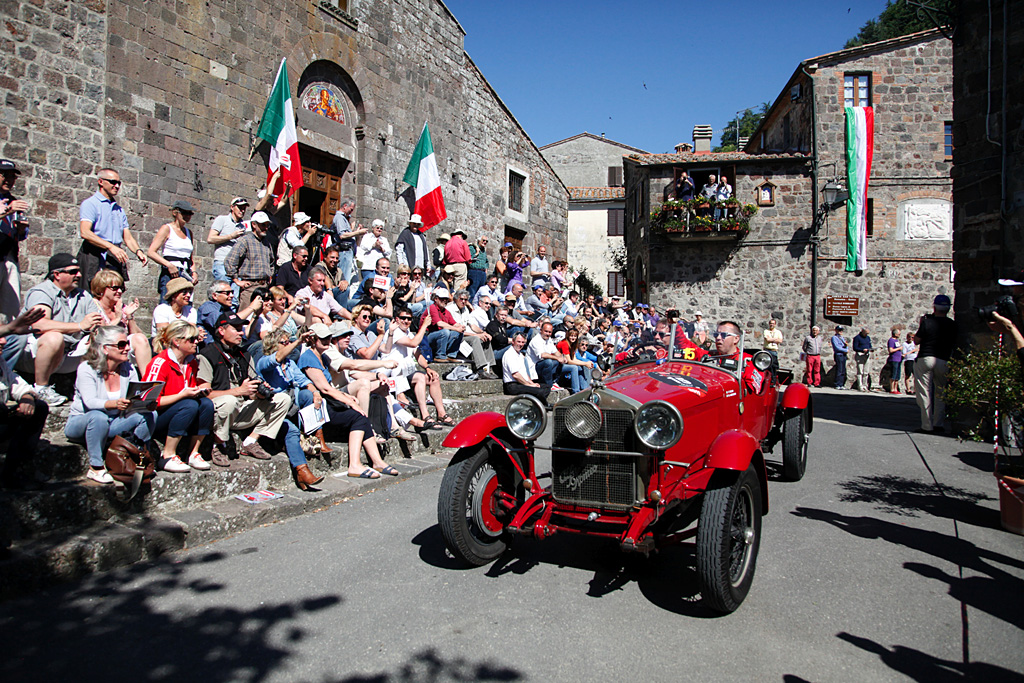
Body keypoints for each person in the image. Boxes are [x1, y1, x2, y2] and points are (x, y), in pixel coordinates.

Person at [296, 323, 397, 478]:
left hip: (329, 403)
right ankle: (355, 465)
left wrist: (347, 398)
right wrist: (349, 401)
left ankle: (377, 461)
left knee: (361, 416)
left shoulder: (322, 356)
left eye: (328, 337)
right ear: (313, 339)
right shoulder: (308, 358)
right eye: (322, 338)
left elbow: (345, 377)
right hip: (321, 409)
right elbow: (325, 389)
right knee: (358, 415)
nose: (327, 341)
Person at [8, 254, 102, 406]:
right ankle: (41, 388)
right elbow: (40, 324)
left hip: (68, 353)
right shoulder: (42, 292)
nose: (78, 275)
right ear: (57, 274)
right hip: (33, 354)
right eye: (73, 272)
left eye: (78, 271)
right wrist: (79, 326)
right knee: (54, 337)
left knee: (107, 340)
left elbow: (97, 323)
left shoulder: (83, 295)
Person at [199, 313, 293, 466]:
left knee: (283, 399)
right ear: (221, 331)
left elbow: (252, 387)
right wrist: (237, 392)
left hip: (242, 409)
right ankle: (218, 445)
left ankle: (250, 441)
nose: (241, 332)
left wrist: (260, 393)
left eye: (241, 328)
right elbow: (204, 394)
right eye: (236, 329)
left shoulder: (243, 354)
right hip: (219, 413)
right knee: (229, 401)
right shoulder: (207, 354)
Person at [65, 326, 155, 483]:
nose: (127, 348)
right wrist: (115, 404)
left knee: (149, 414)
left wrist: (143, 404)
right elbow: (90, 402)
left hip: (114, 422)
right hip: (83, 421)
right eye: (121, 345)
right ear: (105, 349)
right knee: (98, 417)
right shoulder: (87, 369)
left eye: (127, 343)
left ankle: (136, 456)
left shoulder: (128, 369)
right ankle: (96, 467)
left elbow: (132, 398)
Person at [252, 328, 327, 488]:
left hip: (292, 408)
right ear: (273, 345)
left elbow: (304, 381)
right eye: (284, 342)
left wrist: (315, 392)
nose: (288, 344)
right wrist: (298, 342)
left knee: (307, 395)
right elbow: (276, 359)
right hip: (274, 412)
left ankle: (313, 435)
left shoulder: (290, 364)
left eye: (288, 341)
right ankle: (303, 472)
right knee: (290, 430)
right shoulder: (265, 362)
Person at [143, 320, 214, 472]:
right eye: (192, 339)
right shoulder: (160, 363)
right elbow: (148, 401)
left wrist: (198, 391)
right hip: (158, 416)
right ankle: (167, 455)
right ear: (176, 341)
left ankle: (194, 452)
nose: (196, 342)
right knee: (189, 404)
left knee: (206, 404)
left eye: (197, 339)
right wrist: (181, 395)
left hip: (181, 411)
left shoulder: (191, 363)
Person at [0, 306, 48, 489]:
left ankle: (14, 472)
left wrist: (27, 397)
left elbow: (18, 384)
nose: (3, 342)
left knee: (39, 407)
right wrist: (11, 328)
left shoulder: (1, 363)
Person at [380, 310, 454, 428]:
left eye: (409, 319)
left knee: (433, 377)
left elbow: (417, 353)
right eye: (403, 318)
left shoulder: (408, 332)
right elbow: (413, 343)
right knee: (420, 377)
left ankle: (441, 413)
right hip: (394, 373)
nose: (406, 321)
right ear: (397, 319)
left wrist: (427, 368)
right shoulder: (394, 332)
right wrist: (424, 325)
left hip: (406, 372)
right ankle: (425, 415)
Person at [77, 167, 147, 286]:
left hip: (113, 257)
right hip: (94, 255)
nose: (117, 186)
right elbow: (85, 232)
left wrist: (138, 251)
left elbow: (128, 237)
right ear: (101, 182)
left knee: (114, 292)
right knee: (93, 293)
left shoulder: (119, 210)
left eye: (119, 183)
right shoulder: (90, 204)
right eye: (113, 182)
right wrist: (110, 246)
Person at [90, 269, 151, 371]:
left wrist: (129, 316)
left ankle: (148, 381)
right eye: (115, 288)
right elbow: (100, 336)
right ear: (101, 289)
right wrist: (118, 318)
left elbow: (137, 336)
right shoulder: (93, 306)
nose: (119, 291)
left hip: (121, 346)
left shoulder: (121, 307)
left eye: (121, 288)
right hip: (102, 347)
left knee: (140, 339)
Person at [914, 294, 958, 434]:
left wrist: (922, 324)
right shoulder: (952, 324)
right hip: (943, 358)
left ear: (934, 307)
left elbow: (916, 340)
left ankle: (926, 425)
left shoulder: (928, 323)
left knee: (924, 392)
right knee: (941, 392)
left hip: (926, 356)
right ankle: (939, 424)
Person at [147, 199, 198, 304]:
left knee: (185, 305)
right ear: (175, 213)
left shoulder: (189, 233)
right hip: (171, 273)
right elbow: (151, 252)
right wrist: (169, 265)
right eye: (184, 213)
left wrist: (194, 272)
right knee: (167, 304)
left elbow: (190, 258)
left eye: (190, 213)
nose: (187, 216)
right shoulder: (167, 228)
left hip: (185, 273)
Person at [0, 159, 32, 318]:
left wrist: (21, 229)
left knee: (10, 311)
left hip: (9, 257)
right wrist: (5, 212)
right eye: (4, 175)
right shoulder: (10, 205)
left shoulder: (14, 201)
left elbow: (21, 234)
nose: (8, 180)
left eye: (12, 177)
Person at [225, 211, 275, 310]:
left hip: (264, 286)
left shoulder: (267, 244)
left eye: (267, 225)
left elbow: (271, 262)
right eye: (262, 225)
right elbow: (230, 260)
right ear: (254, 224)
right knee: (246, 316)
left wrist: (270, 274)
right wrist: (236, 280)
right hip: (250, 286)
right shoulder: (245, 241)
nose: (265, 228)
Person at [446, 289, 497, 378]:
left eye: (465, 300)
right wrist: (476, 335)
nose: (463, 301)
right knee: (475, 339)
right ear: (456, 299)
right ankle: (480, 369)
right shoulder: (450, 309)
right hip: (455, 337)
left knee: (485, 338)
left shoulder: (465, 309)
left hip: (464, 335)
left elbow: (472, 325)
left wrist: (483, 332)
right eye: (461, 299)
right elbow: (458, 330)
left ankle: (490, 368)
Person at [207, 197, 250, 298]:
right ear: (232, 207)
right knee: (222, 295)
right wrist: (231, 236)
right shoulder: (222, 219)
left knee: (234, 299)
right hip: (222, 262)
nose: (242, 210)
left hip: (236, 266)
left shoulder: (244, 225)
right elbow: (210, 239)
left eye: (244, 208)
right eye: (240, 207)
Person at [196, 279, 262, 339]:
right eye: (227, 293)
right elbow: (226, 323)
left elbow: (245, 334)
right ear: (215, 295)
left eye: (232, 292)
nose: (231, 296)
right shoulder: (208, 308)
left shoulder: (227, 309)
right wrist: (251, 307)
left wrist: (256, 315)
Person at [151, 277, 202, 343]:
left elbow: (191, 332)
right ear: (173, 295)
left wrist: (197, 333)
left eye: (190, 292)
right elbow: (164, 334)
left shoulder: (191, 311)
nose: (188, 295)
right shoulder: (162, 309)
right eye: (184, 292)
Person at [502, 332, 550, 402]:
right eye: (518, 342)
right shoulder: (509, 354)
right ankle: (542, 406)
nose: (520, 344)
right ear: (513, 341)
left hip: (520, 383)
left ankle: (539, 404)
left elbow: (524, 374)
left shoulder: (520, 355)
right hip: (512, 385)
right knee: (539, 391)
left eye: (522, 342)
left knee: (546, 387)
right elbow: (516, 375)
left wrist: (532, 383)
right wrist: (529, 385)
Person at [329, 198, 367, 283]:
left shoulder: (344, 218)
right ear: (345, 206)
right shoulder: (339, 217)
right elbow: (342, 235)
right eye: (351, 209)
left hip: (349, 252)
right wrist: (358, 232)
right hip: (344, 252)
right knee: (344, 280)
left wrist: (357, 232)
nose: (351, 212)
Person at [425, 287, 464, 362]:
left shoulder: (446, 311)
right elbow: (439, 324)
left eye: (446, 299)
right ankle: (440, 356)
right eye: (442, 299)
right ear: (436, 299)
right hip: (427, 337)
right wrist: (456, 328)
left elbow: (454, 323)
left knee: (458, 332)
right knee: (445, 331)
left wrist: (460, 327)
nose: (444, 301)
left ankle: (451, 355)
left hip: (439, 337)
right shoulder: (432, 308)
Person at [525, 321, 564, 390]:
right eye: (546, 331)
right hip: (534, 367)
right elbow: (542, 355)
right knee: (548, 362)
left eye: (550, 332)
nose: (548, 334)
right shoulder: (536, 340)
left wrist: (562, 357)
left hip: (542, 366)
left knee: (558, 362)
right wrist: (557, 358)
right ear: (541, 330)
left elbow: (555, 351)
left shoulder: (549, 340)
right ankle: (549, 385)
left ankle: (554, 382)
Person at [555, 327, 594, 393]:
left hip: (563, 364)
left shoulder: (572, 345)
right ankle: (576, 391)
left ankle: (585, 389)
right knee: (574, 368)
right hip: (557, 365)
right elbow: (569, 361)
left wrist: (586, 363)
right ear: (568, 336)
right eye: (571, 336)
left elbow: (574, 359)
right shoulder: (564, 343)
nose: (573, 338)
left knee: (581, 366)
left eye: (575, 336)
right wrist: (585, 363)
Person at [852, 327, 874, 392]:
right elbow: (855, 347)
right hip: (860, 355)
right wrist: (862, 350)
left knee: (866, 371)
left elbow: (869, 345)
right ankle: (860, 385)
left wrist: (871, 349)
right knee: (860, 371)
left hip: (866, 355)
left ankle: (865, 385)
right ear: (862, 331)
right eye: (865, 333)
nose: (866, 334)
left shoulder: (867, 338)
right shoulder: (857, 338)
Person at [886, 327, 904, 395]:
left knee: (897, 375)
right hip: (894, 359)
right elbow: (891, 350)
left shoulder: (897, 341)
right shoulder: (891, 340)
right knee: (893, 374)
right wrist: (899, 348)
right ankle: (892, 388)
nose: (899, 335)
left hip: (899, 359)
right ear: (895, 334)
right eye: (898, 333)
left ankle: (896, 388)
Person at [831, 325, 848, 389]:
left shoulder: (842, 338)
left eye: (841, 330)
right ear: (836, 330)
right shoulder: (834, 338)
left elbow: (845, 345)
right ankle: (837, 384)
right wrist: (845, 350)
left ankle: (841, 384)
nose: (840, 331)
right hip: (839, 354)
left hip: (843, 355)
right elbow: (837, 347)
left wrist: (846, 348)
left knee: (843, 370)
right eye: (839, 330)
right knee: (839, 369)